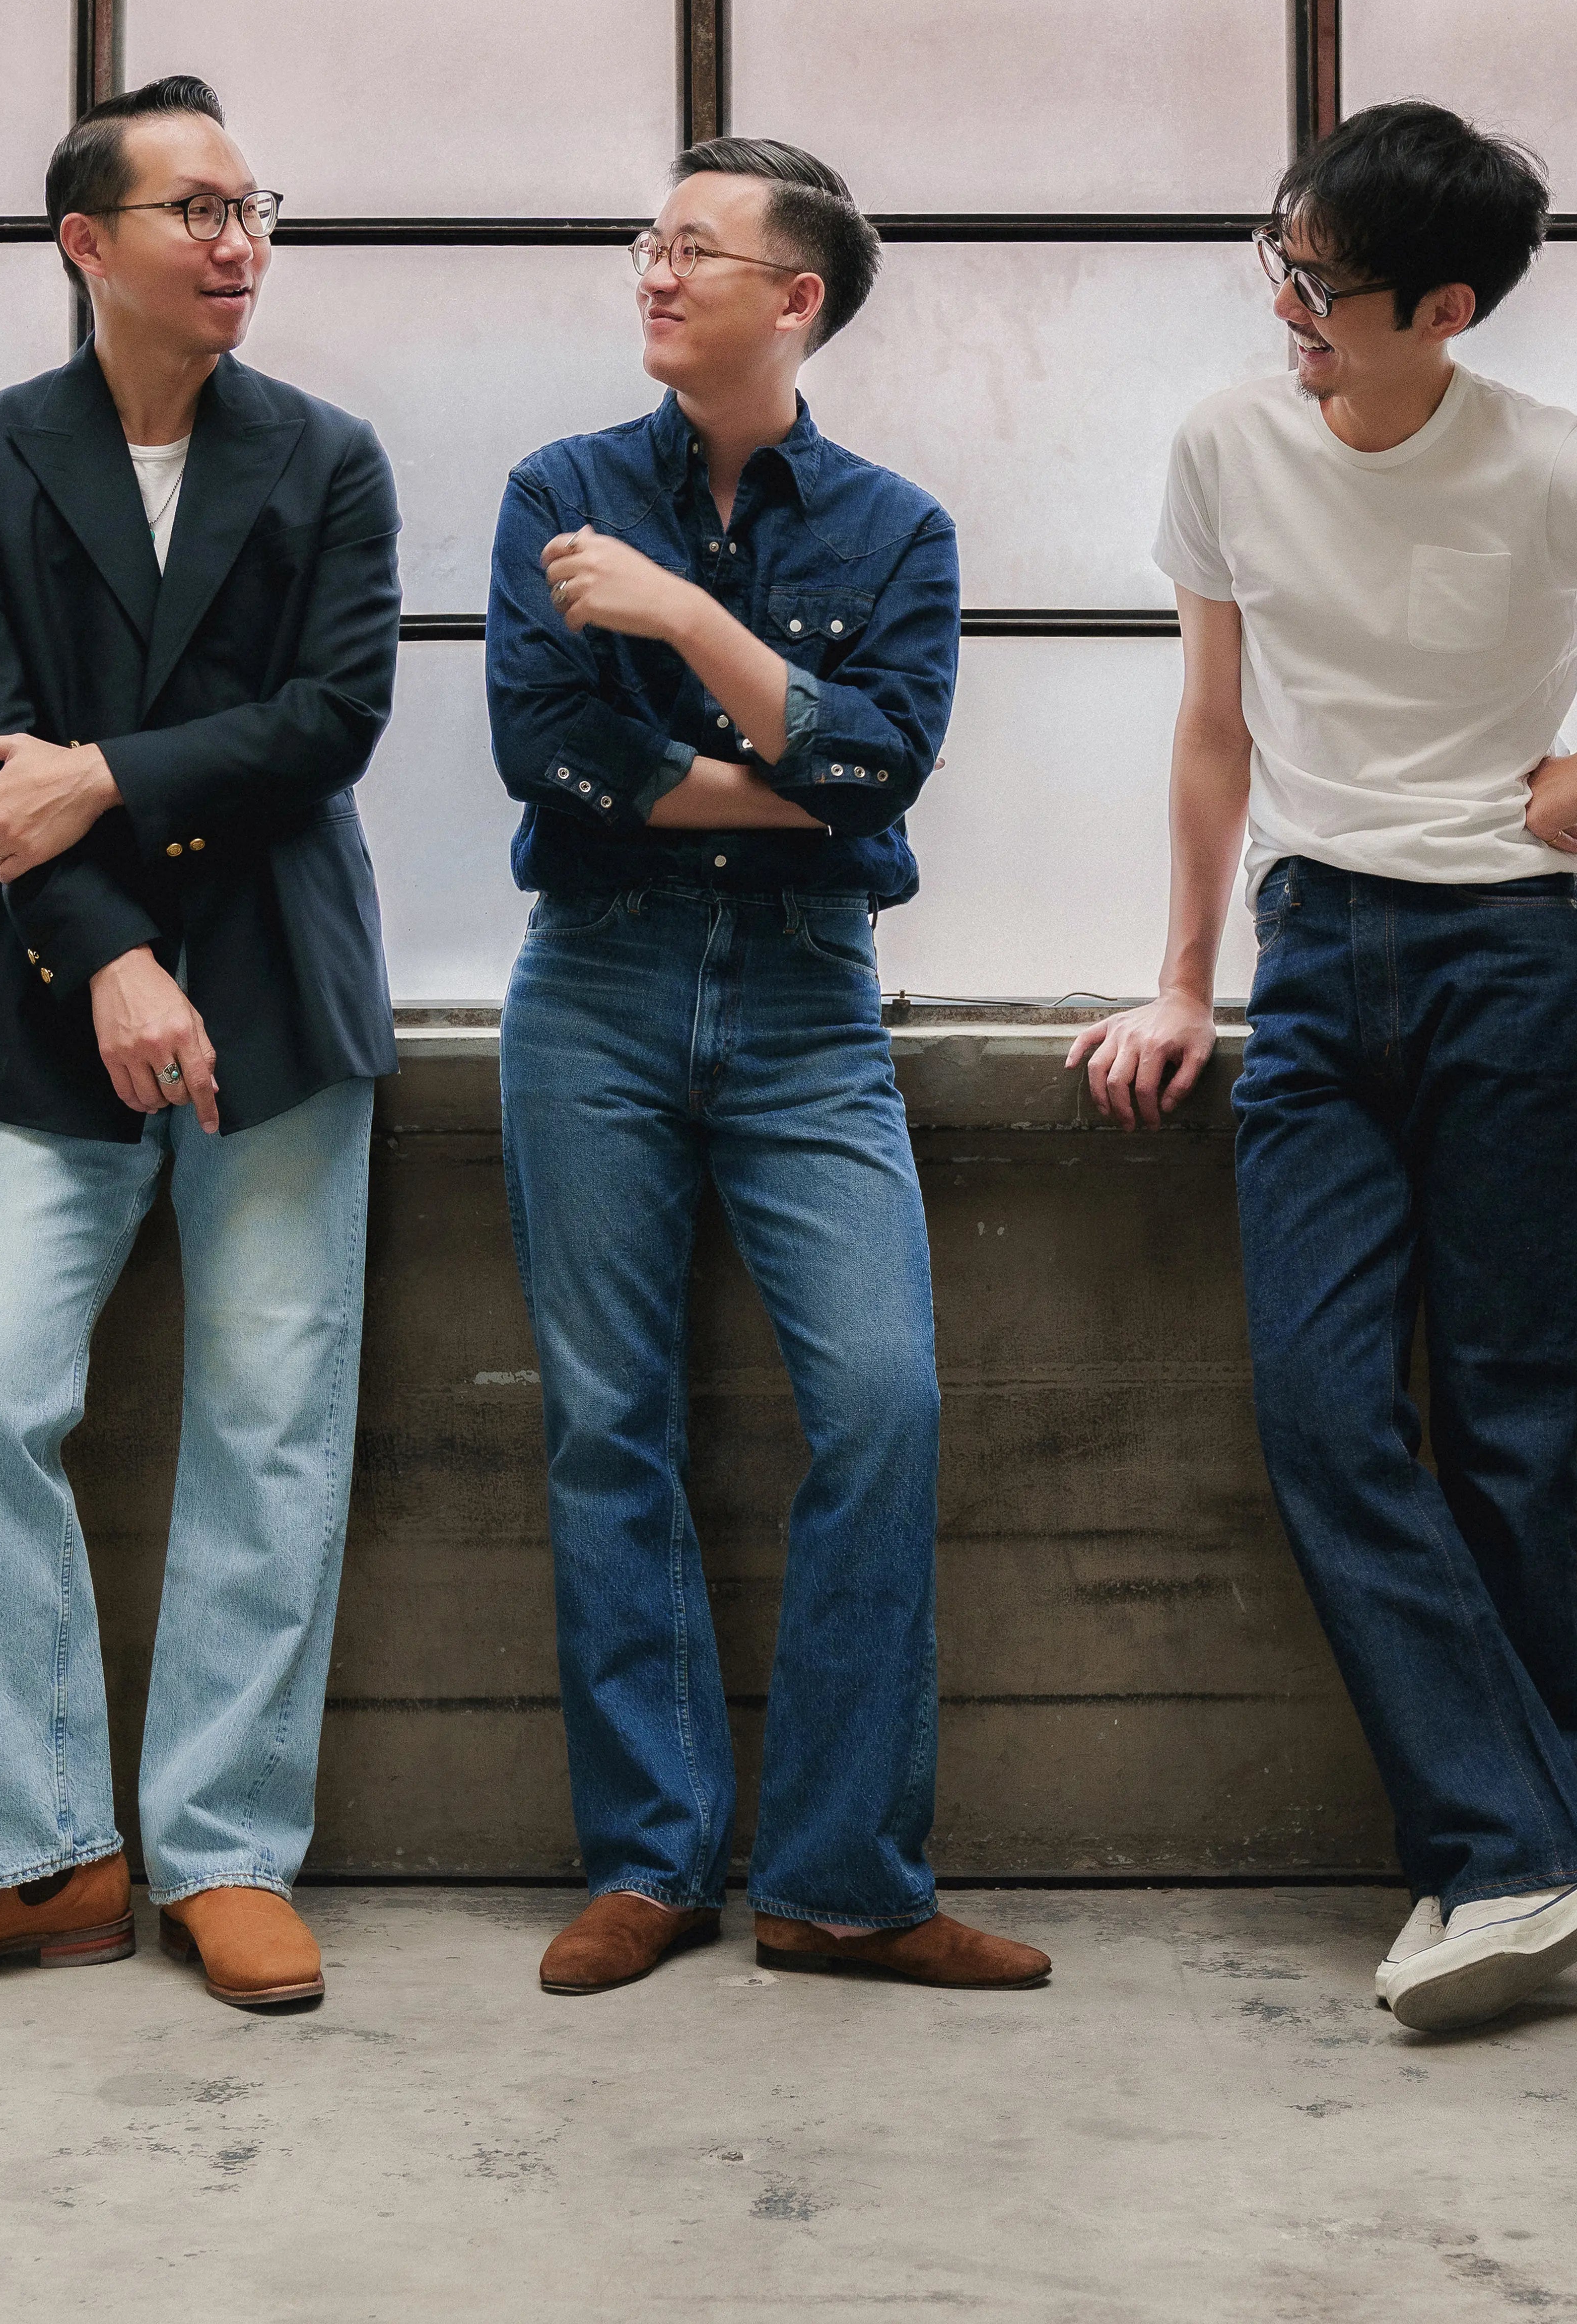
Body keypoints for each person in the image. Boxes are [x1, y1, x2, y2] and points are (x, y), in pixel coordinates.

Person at [1069, 101, 1577, 2034]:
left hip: (1514, 960)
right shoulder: (1225, 443)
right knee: (1326, 1410)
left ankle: (1500, 1868)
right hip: (1316, 961)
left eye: (1322, 284)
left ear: (1443, 306)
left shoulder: (1548, 465)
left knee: (1510, 1429)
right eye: (1278, 259)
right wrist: (1181, 980)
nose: (1288, 310)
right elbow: (1209, 726)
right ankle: (1525, 1846)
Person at [0, 75, 401, 2013]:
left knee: (271, 1423)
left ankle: (225, 1854)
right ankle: (36, 1857)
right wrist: (121, 960)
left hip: (285, 995)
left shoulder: (327, 455)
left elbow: (336, 718)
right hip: (54, 1002)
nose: (241, 243)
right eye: (198, 210)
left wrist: (112, 776)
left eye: (256, 209)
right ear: (88, 244)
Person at [488, 136, 1049, 1996]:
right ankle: (651, 1862)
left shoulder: (897, 531)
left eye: (694, 248)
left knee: (881, 1405)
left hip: (813, 1005)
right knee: (605, 1423)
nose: (653, 269)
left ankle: (841, 1883)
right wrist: (790, 782)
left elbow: (888, 776)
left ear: (796, 295)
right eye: (648, 238)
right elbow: (550, 754)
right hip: (596, 988)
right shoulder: (556, 490)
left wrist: (685, 623)